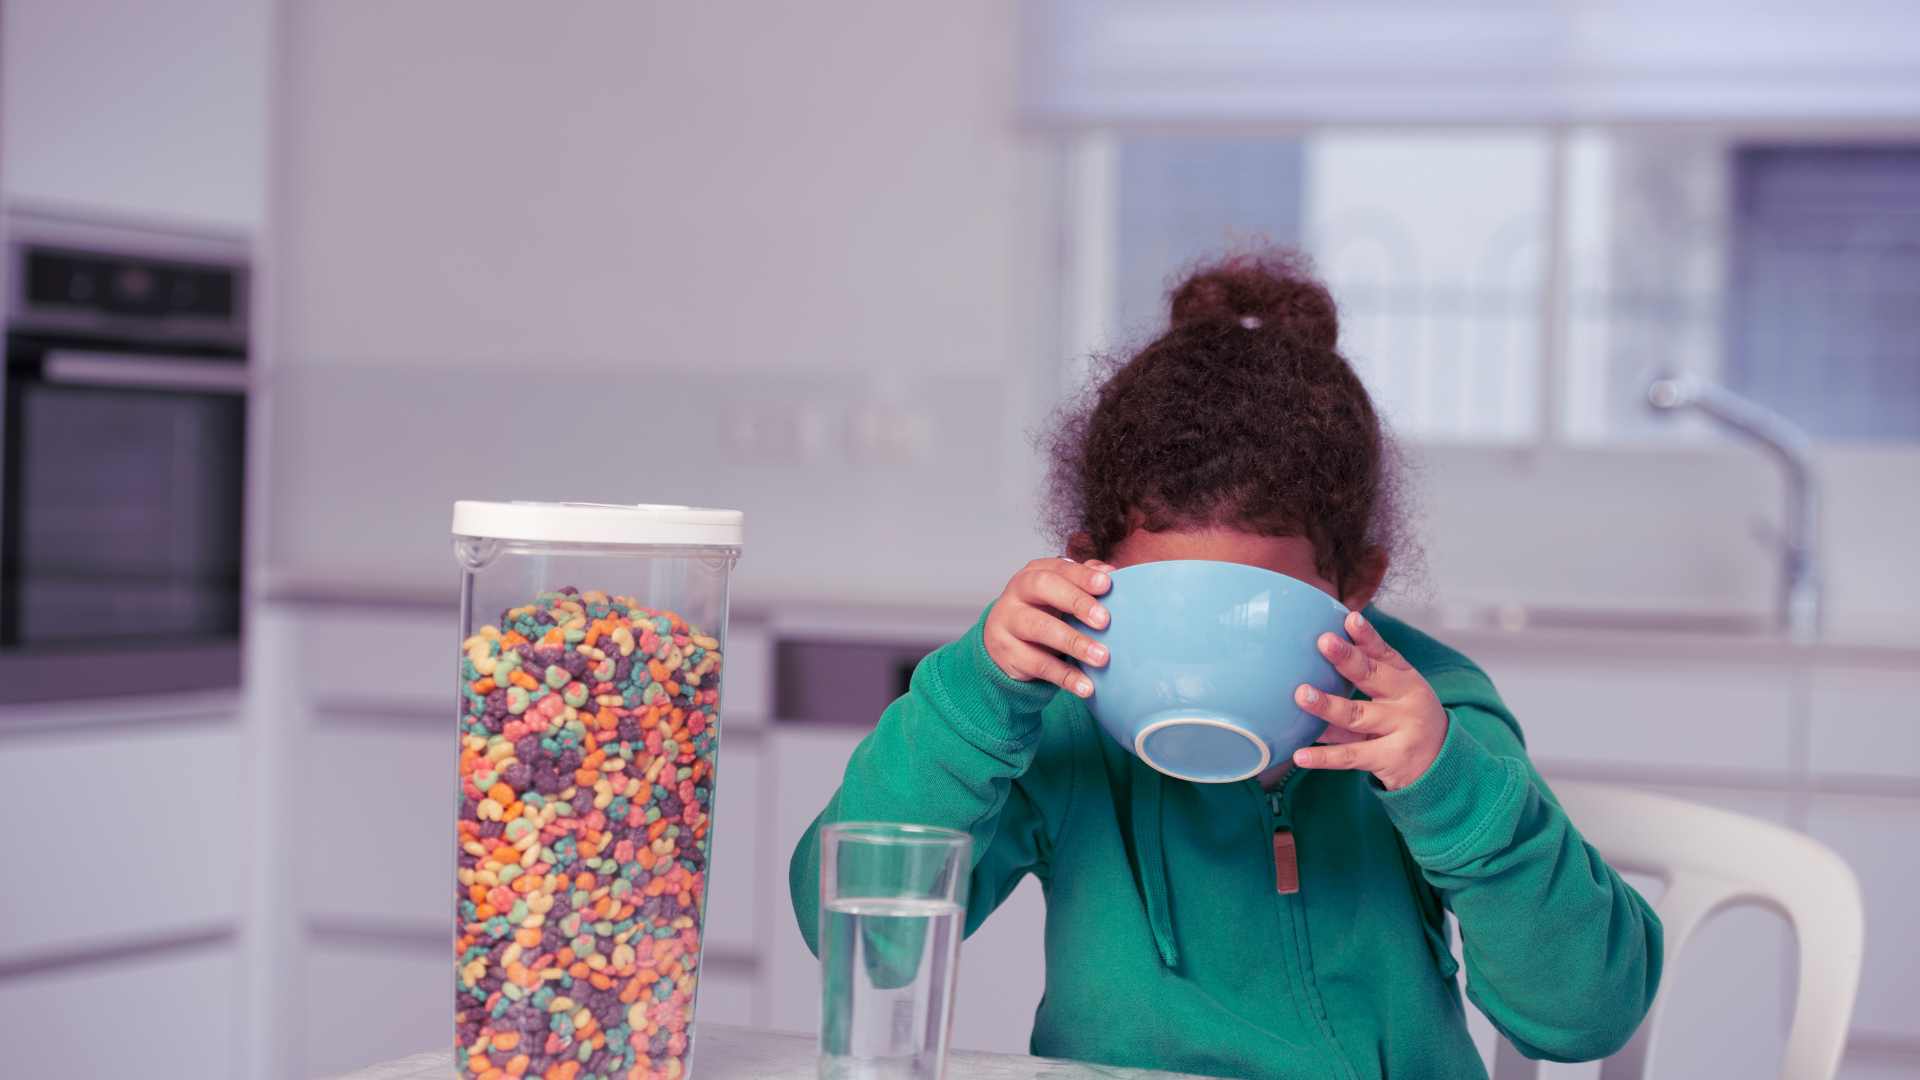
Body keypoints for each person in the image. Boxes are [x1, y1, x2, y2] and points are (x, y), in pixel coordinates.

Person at [787, 250, 1663, 1079]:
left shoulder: (1428, 717)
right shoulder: (1056, 717)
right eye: (1171, 608)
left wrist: (1449, 786)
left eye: (1252, 617)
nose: (1205, 661)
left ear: (1354, 585)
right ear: (1091, 570)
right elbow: (856, 939)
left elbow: (1585, 1014)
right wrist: (977, 693)